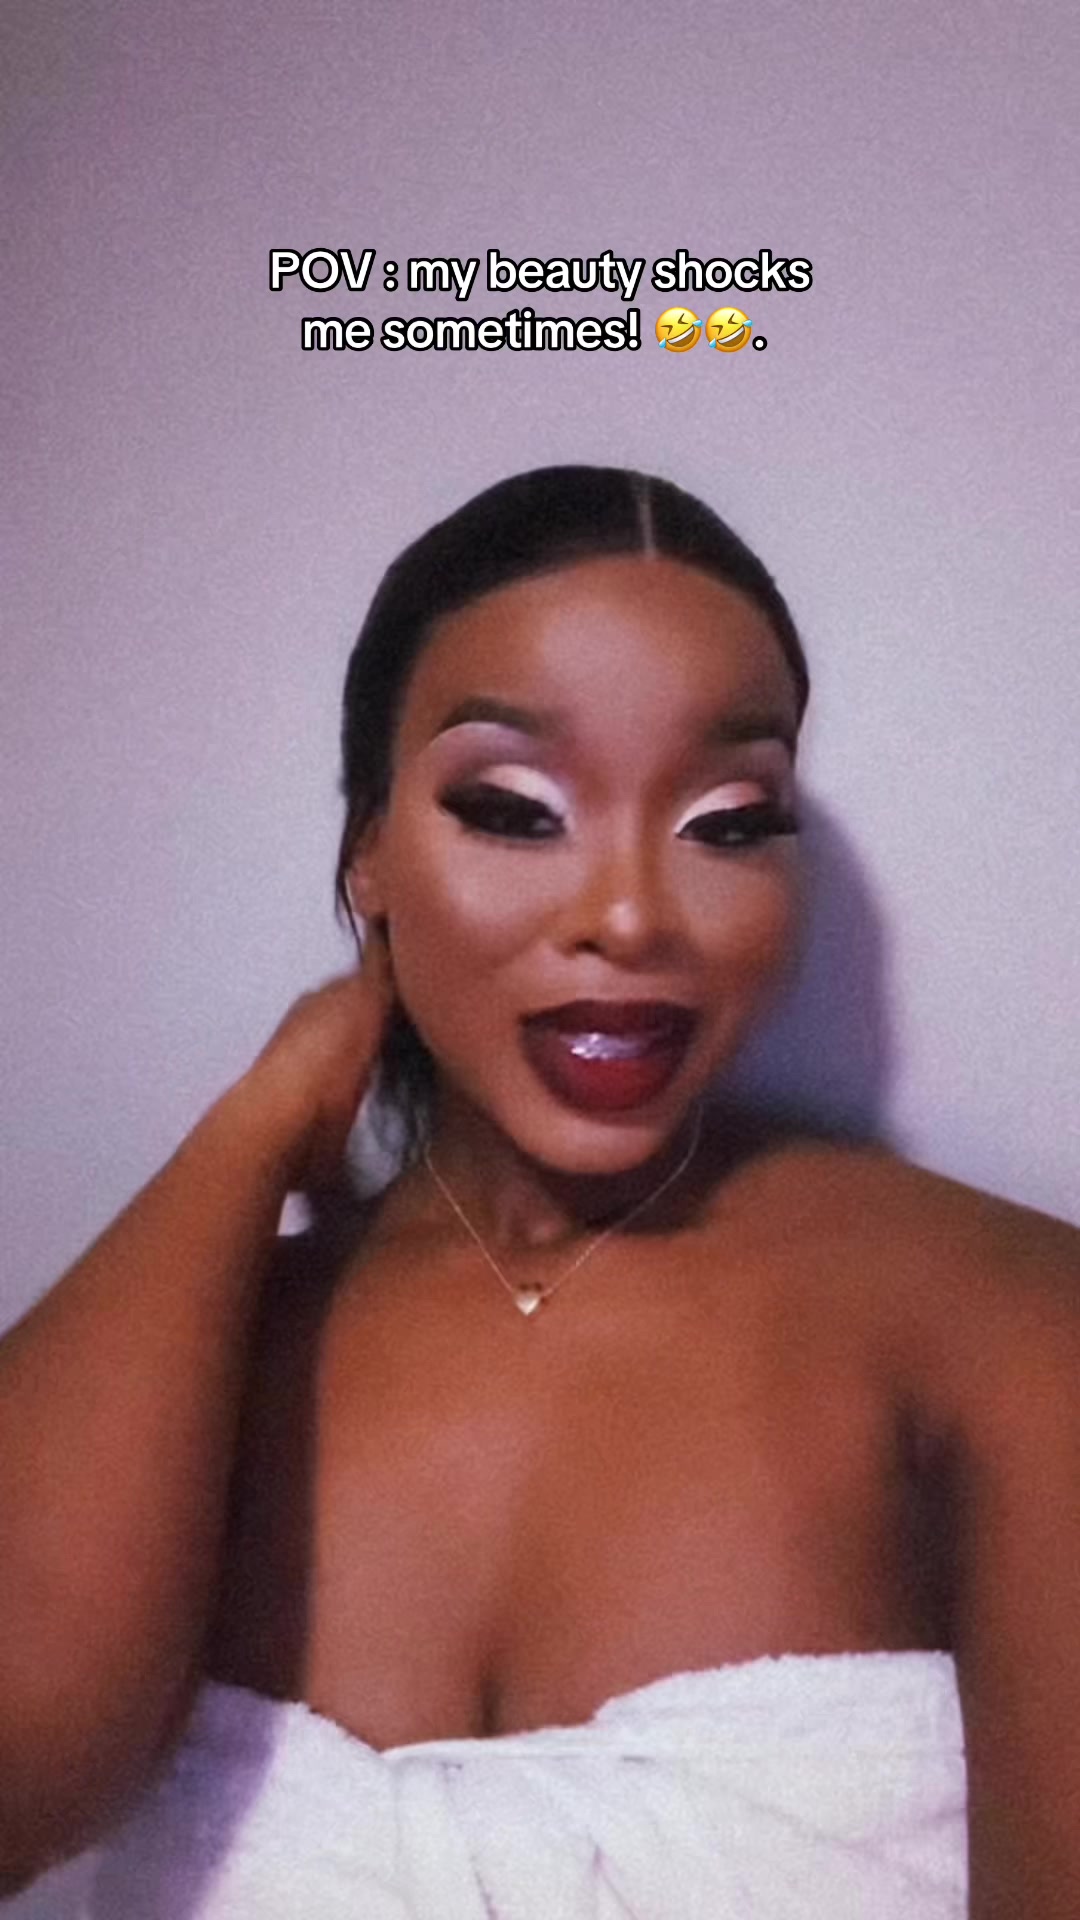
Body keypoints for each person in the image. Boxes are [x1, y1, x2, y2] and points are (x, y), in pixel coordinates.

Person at [1, 466, 1077, 1918]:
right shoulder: (206, 1346)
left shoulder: (1006, 1326)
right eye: (514, 809)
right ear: (370, 854)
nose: (629, 916)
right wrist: (251, 1129)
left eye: (727, 822)